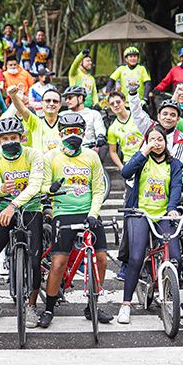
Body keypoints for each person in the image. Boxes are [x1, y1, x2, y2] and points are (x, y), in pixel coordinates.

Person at [42, 111, 109, 327]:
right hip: (63, 213)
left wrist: (93, 214)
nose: (73, 135)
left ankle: (93, 305)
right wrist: (49, 189)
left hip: (89, 212)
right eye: (68, 131)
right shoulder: (51, 157)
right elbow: (42, 185)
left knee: (101, 259)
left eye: (77, 131)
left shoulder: (91, 156)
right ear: (60, 133)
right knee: (59, 263)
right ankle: (49, 309)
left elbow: (98, 189)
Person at [0, 116, 45, 325]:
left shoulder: (34, 155)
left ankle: (32, 306)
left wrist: (13, 205)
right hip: (4, 208)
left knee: (35, 262)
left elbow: (35, 185)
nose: (9, 142)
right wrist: (1, 190)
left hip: (31, 207)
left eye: (13, 137)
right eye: (4, 138)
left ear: (22, 138)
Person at [117, 124, 182, 325]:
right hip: (140, 212)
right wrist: (144, 150)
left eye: (159, 139)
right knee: (136, 258)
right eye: (152, 139)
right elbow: (126, 173)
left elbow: (176, 187)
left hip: (163, 214)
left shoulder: (175, 164)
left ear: (165, 142)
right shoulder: (142, 159)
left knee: (175, 257)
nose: (156, 143)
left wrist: (172, 208)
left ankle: (173, 301)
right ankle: (126, 305)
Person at [7, 84, 61, 152]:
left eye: (55, 101)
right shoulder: (35, 122)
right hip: (39, 162)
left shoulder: (65, 124)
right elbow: (22, 109)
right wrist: (13, 96)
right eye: (47, 100)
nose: (51, 103)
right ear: (41, 103)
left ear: (60, 105)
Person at [106, 91, 142, 174]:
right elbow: (112, 151)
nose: (115, 105)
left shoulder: (137, 116)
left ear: (124, 102)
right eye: (112, 104)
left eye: (118, 102)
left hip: (145, 157)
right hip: (129, 162)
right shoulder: (112, 128)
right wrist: (122, 167)